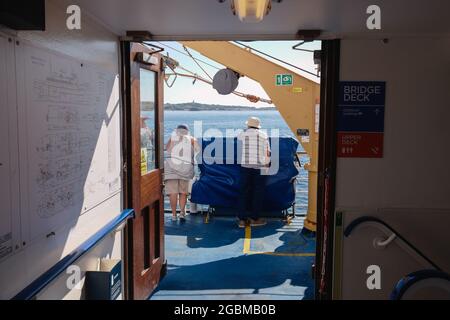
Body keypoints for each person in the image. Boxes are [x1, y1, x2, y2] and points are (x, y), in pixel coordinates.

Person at [237, 116, 271, 228]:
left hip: (245, 165)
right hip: (260, 167)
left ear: (248, 125)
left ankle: (242, 220)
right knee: (258, 192)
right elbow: (268, 152)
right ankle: (254, 219)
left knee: (243, 192)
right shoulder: (264, 135)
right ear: (258, 126)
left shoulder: (242, 134)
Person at [164, 124, 199, 221]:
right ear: (187, 131)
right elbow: (198, 151)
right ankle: (182, 212)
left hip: (171, 168)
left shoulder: (172, 138)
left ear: (177, 130)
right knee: (183, 193)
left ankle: (174, 215)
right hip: (186, 168)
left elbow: (167, 149)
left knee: (172, 193)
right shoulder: (192, 139)